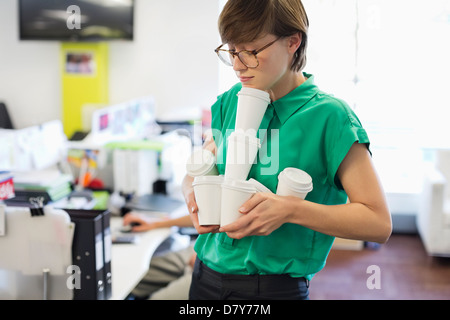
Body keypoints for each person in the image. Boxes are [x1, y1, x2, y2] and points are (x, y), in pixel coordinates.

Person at [182, 0, 392, 300]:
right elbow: (204, 164)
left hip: (271, 289)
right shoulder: (230, 101)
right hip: (204, 278)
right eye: (232, 50)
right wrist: (191, 190)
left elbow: (378, 223)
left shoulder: (330, 117)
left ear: (293, 41)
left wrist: (290, 210)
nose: (239, 64)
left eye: (252, 51)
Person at [123, 213, 197, 300]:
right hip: (200, 250)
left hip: (213, 266)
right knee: (134, 277)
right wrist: (155, 223)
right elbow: (205, 217)